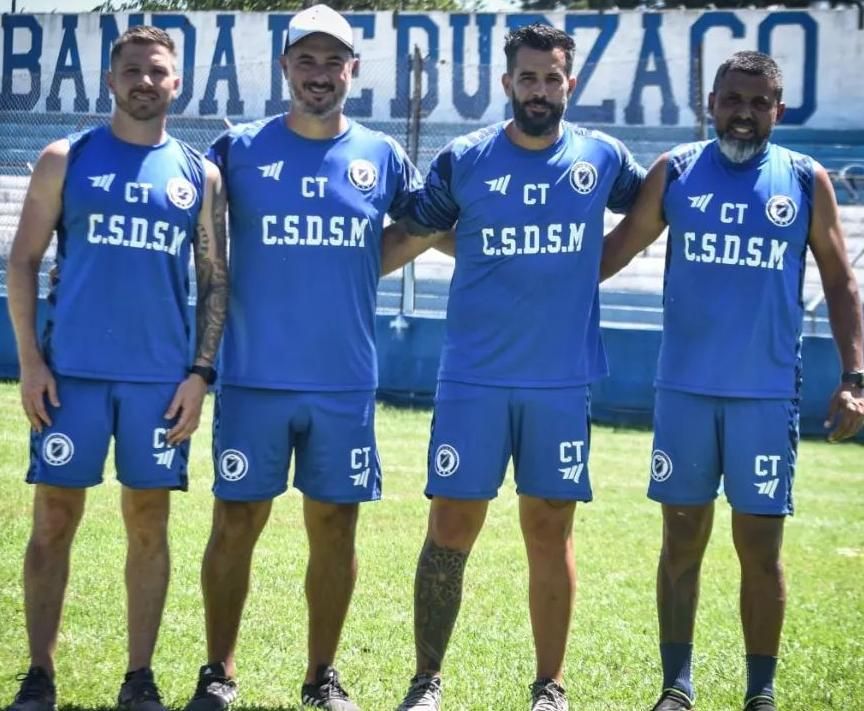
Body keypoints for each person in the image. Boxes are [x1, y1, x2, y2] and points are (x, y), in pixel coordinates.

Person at [180, 6, 440, 711]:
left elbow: (421, 226)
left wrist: (362, 264)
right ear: (285, 66)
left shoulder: (381, 155)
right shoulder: (237, 149)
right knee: (235, 523)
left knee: (335, 528)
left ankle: (321, 675)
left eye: (333, 62)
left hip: (342, 382)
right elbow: (203, 240)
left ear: (353, 70)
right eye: (306, 60)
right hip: (254, 377)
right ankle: (218, 672)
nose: (319, 74)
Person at [600, 51, 864, 711]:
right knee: (681, 540)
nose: (744, 113)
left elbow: (840, 281)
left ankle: (760, 694)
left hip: (765, 397)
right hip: (684, 392)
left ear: (779, 110)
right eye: (733, 100)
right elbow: (612, 253)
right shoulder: (677, 171)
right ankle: (676, 687)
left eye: (758, 102)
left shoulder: (804, 179)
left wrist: (855, 376)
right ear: (711, 104)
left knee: (761, 548)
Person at [392, 23, 645, 711]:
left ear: (570, 83)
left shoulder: (603, 157)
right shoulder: (466, 159)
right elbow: (416, 230)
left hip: (559, 382)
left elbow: (652, 207)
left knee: (550, 530)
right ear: (507, 83)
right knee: (450, 526)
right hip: (473, 378)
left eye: (551, 78)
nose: (539, 90)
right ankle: (426, 681)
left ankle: (549, 686)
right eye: (527, 78)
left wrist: (594, 266)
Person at [4, 25, 227, 711]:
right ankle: (38, 676)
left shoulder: (198, 175)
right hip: (71, 377)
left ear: (177, 83)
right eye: (132, 70)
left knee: (148, 522)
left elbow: (214, 279)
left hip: (158, 384)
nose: (144, 82)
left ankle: (139, 677)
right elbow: (23, 262)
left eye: (157, 71)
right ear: (111, 80)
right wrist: (31, 362)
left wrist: (199, 374)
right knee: (53, 518)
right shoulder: (64, 158)